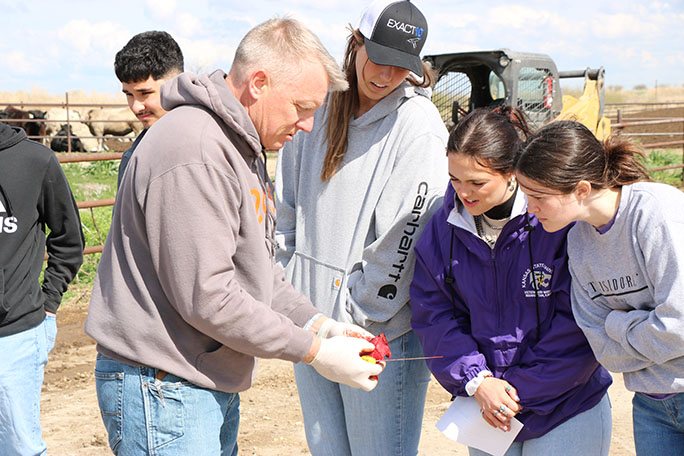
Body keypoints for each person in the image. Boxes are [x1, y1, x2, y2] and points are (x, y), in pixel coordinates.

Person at [85, 17, 384, 456]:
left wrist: (319, 323)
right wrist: (315, 350)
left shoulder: (236, 145)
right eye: (302, 107)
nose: (306, 125)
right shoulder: (199, 151)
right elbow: (210, 296)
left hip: (191, 379)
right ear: (259, 83)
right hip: (163, 384)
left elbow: (255, 268)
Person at [275, 1, 448, 454]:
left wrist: (359, 318)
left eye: (400, 66)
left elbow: (403, 238)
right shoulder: (318, 108)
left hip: (374, 330)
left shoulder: (417, 126)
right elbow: (286, 210)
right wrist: (298, 303)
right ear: (356, 43)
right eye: (377, 57)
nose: (385, 74)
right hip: (312, 322)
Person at [410, 108, 613, 456]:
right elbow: (434, 315)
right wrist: (478, 381)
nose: (463, 193)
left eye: (477, 183)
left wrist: (512, 391)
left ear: (511, 174)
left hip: (564, 408)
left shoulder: (558, 222)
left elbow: (578, 323)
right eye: (454, 179)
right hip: (487, 408)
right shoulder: (442, 230)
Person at [514, 120, 684, 455]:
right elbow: (604, 349)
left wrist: (618, 324)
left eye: (538, 197)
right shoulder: (578, 240)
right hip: (651, 404)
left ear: (580, 189)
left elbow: (679, 326)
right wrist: (645, 327)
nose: (530, 210)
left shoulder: (656, 213)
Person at [0, 122, 84, 455]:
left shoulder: (34, 161)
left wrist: (48, 302)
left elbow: (68, 238)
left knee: (18, 447)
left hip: (13, 333)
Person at [114, 30, 184, 187]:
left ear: (176, 85)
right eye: (129, 95)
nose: (136, 107)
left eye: (145, 93)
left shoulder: (214, 144)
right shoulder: (132, 160)